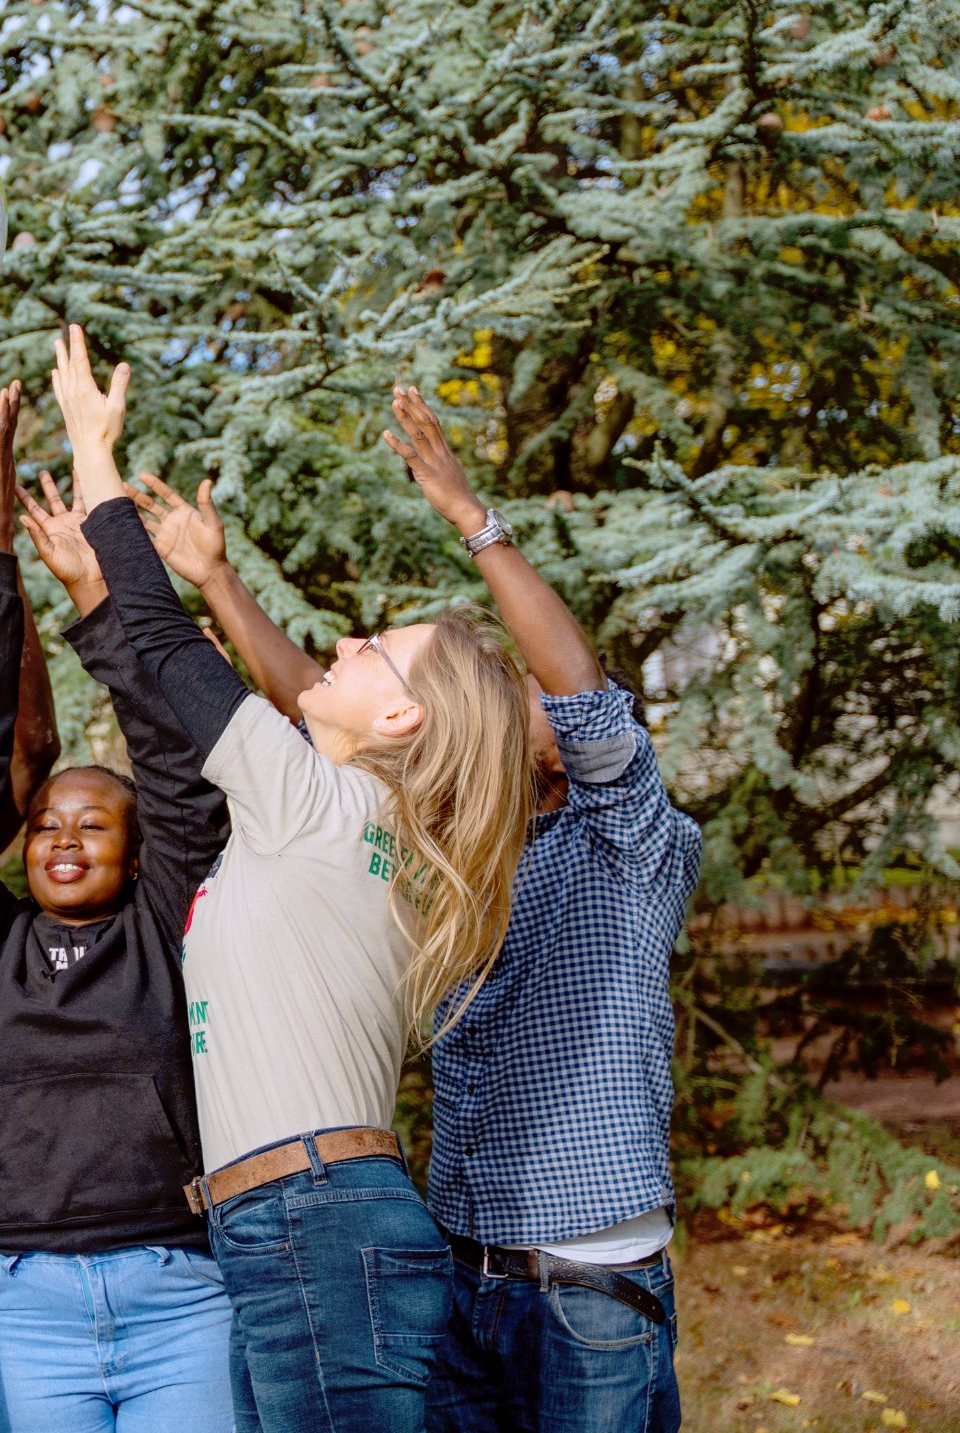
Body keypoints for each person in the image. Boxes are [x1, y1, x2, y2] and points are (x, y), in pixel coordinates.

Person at [140, 390, 703, 1429]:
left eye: (525, 677)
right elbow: (322, 708)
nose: (519, 684)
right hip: (457, 1262)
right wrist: (216, 579)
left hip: (587, 1284)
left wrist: (470, 518)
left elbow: (581, 692)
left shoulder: (629, 846)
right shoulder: (439, 853)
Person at [52, 326, 538, 1433]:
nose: (351, 639)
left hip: (310, 1220)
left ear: (402, 719)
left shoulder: (317, 806)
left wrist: (95, 456)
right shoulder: (372, 824)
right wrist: (217, 573)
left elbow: (170, 653)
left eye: (378, 653)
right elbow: (235, 684)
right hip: (309, 1218)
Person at [0, 464, 231, 1433]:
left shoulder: (169, 926)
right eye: (45, 825)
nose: (65, 839)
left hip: (180, 1290)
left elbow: (175, 767)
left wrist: (97, 600)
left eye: (93, 825)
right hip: (23, 1302)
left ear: (138, 856)